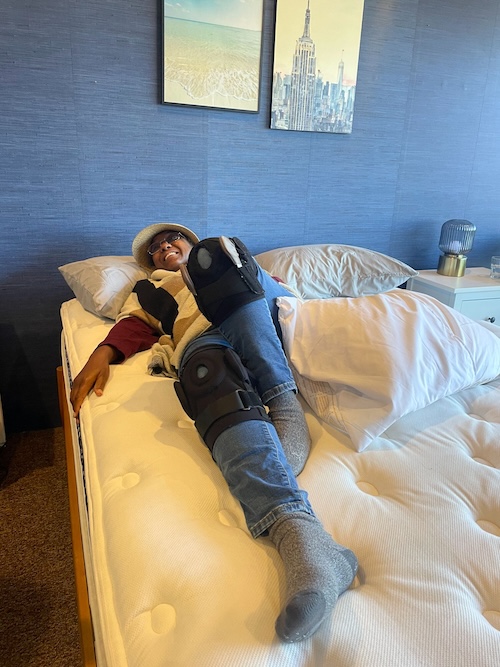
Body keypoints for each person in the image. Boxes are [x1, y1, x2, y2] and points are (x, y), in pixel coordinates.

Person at [70, 223, 358, 643]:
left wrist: (239, 273)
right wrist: (102, 352)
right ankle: (308, 546)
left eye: (174, 240)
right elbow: (133, 326)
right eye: (156, 249)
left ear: (188, 243)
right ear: (150, 263)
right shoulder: (150, 290)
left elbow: (284, 297)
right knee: (202, 375)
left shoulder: (218, 258)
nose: (166, 248)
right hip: (202, 344)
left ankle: (281, 399)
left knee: (219, 262)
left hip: (248, 313)